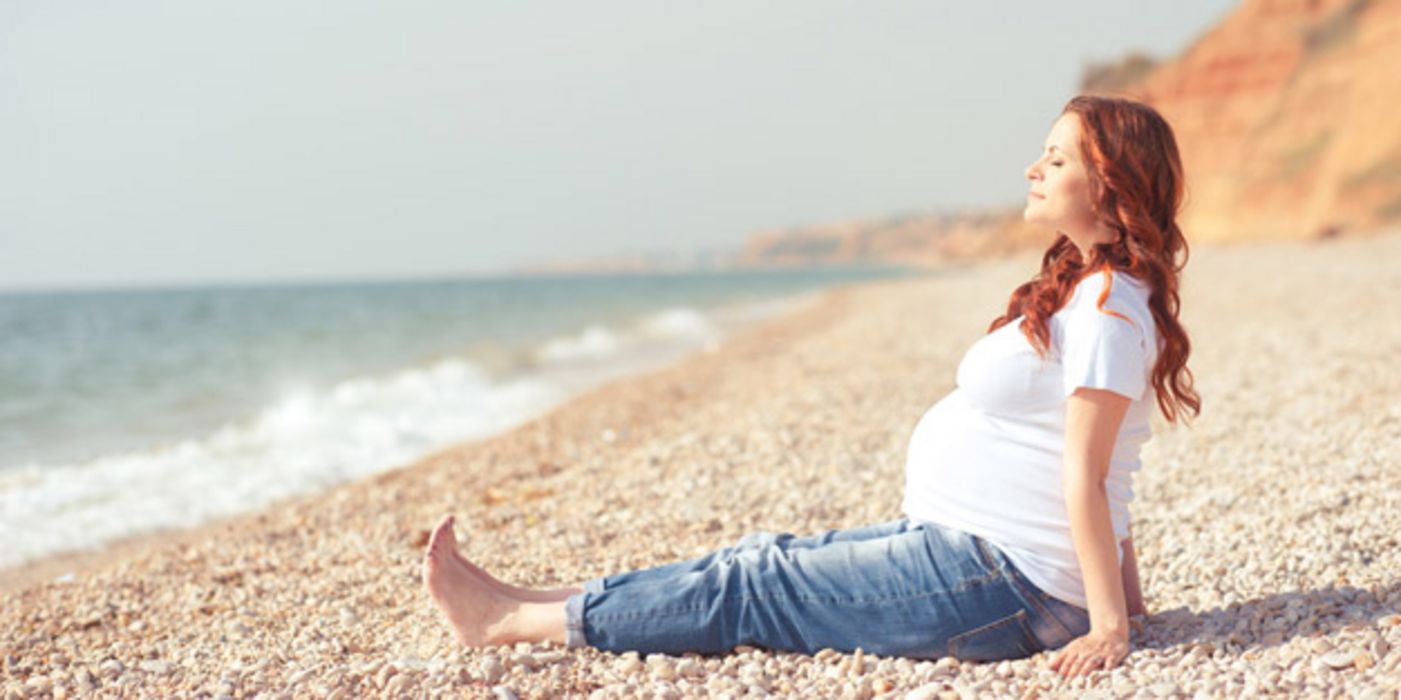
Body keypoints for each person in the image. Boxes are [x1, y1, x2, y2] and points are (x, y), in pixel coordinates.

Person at [421, 94, 1201, 679]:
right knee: (758, 557)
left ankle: (508, 624)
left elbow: (1091, 476)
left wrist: (1108, 626)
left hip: (1004, 588)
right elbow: (1117, 471)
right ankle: (541, 602)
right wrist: (1127, 604)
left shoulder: (1104, 311)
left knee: (754, 587)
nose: (1033, 169)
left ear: (1108, 188)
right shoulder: (1090, 291)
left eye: (1056, 160)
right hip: (973, 559)